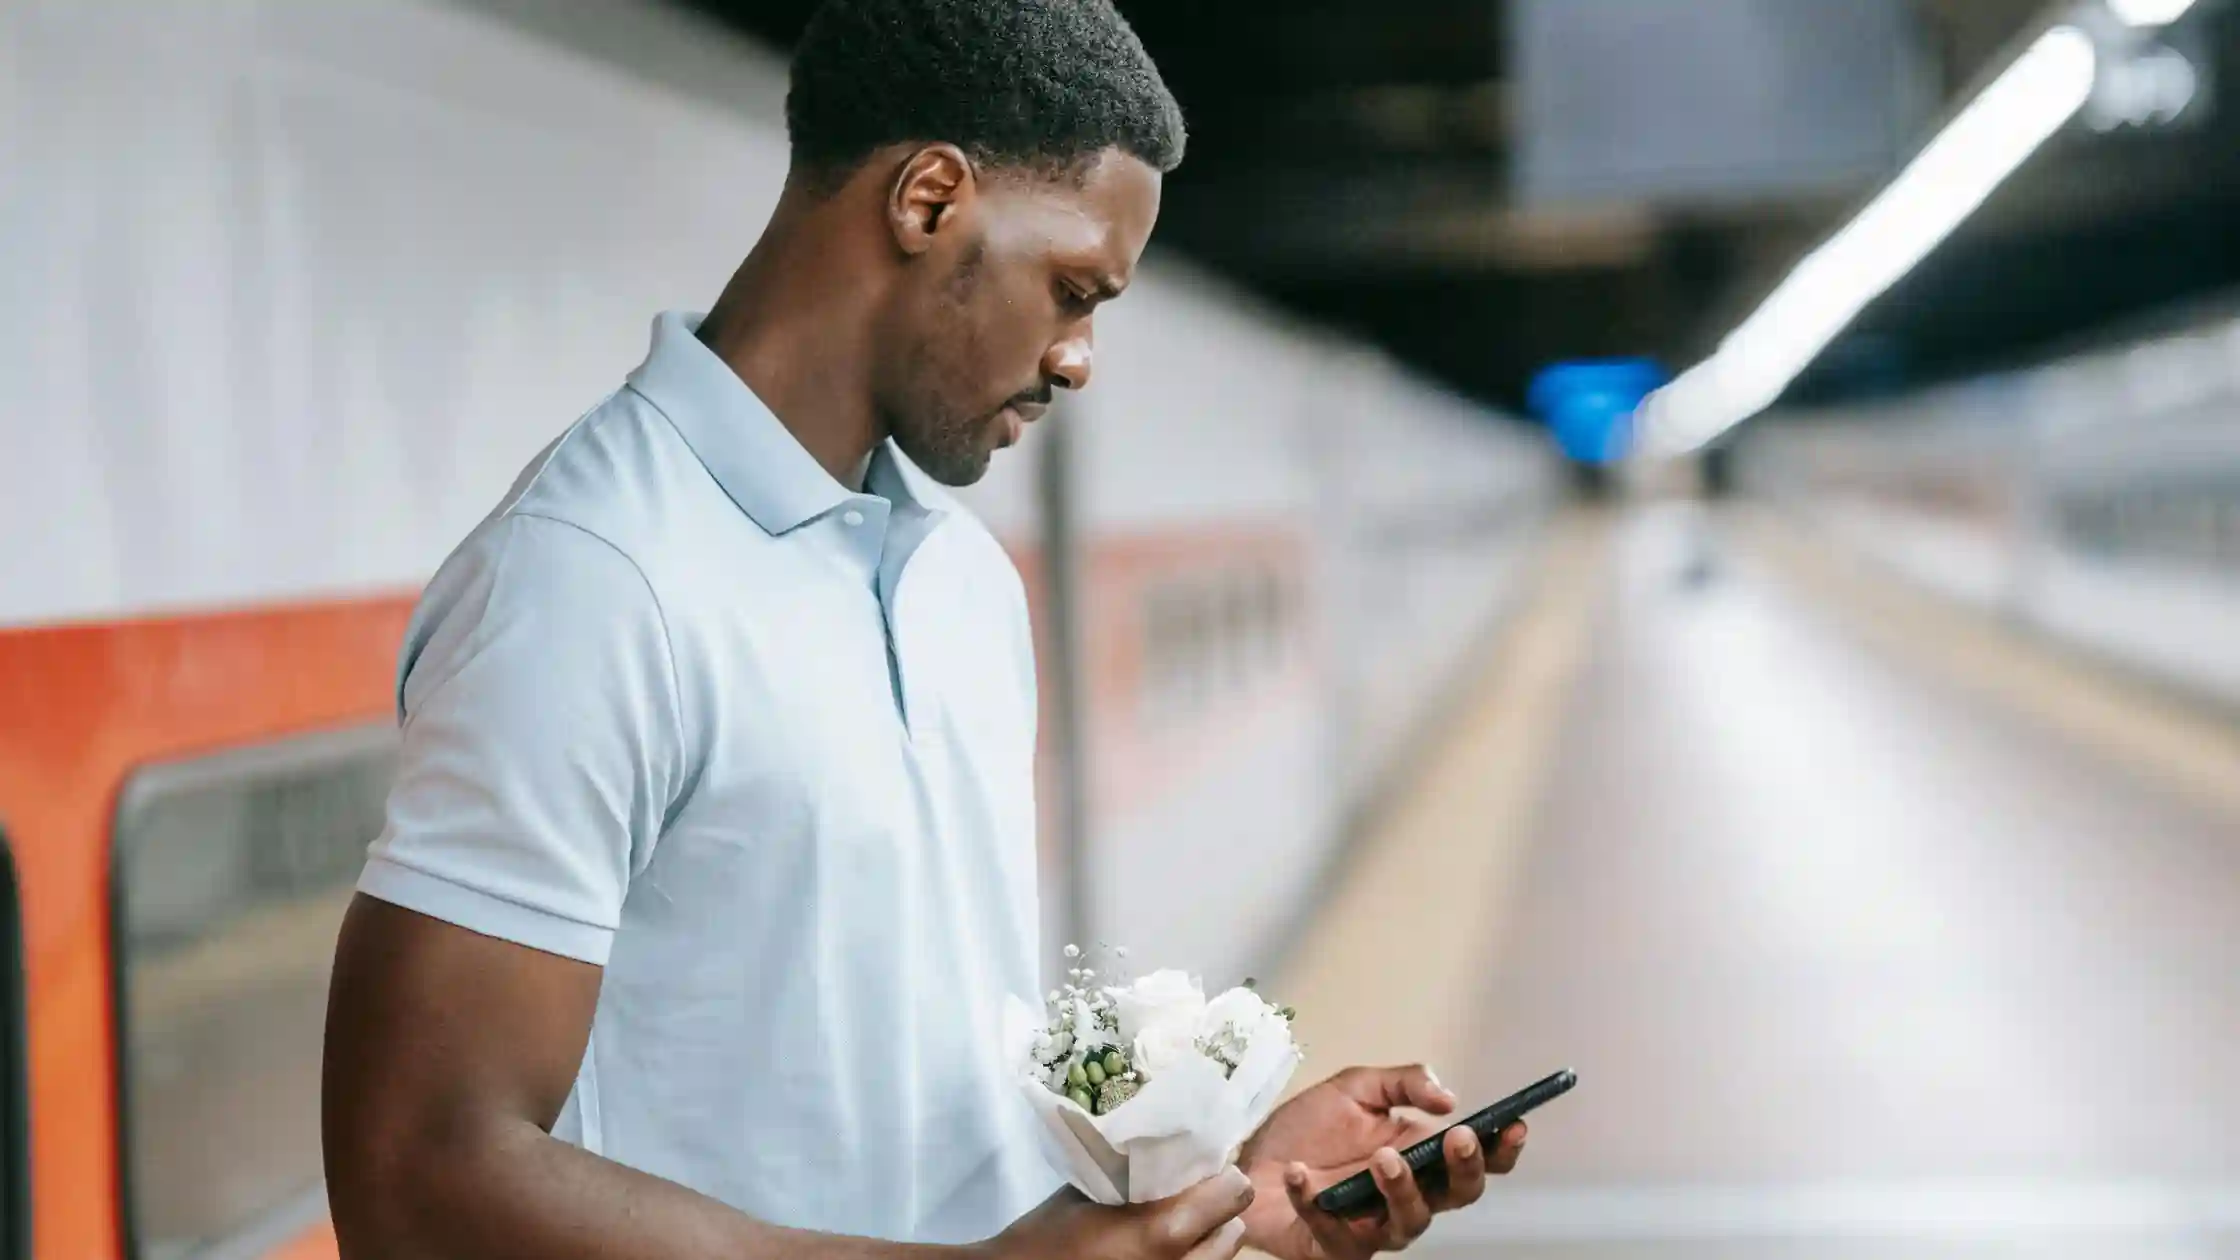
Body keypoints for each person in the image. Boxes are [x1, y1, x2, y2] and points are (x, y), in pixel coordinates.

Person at [320, 2, 1527, 1259]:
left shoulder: (962, 579)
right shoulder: (588, 581)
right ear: (928, 200)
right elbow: (418, 1182)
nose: (1078, 360)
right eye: (1071, 290)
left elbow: (921, 1121)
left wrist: (1213, 1196)